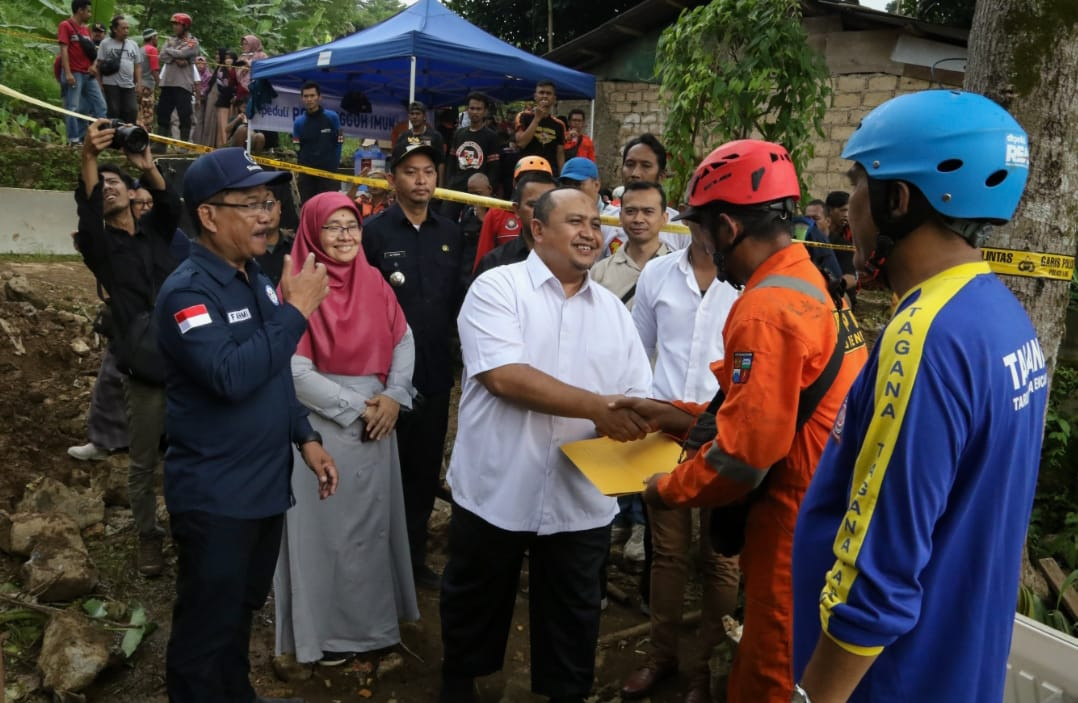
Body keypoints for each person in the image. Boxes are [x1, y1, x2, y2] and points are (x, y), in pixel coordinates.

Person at [791, 90, 1043, 703]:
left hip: (893, 680)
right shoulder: (1003, 318)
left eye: (857, 182)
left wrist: (812, 697)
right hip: (958, 663)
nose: (846, 207)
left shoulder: (925, 337)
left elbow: (878, 571)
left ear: (896, 200)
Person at [620, 140, 867, 703]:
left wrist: (667, 490)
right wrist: (674, 415)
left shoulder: (762, 308)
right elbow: (761, 403)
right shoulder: (815, 282)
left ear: (727, 228)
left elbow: (742, 455)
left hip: (788, 518)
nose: (702, 244)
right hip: (828, 501)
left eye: (703, 231)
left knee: (770, 672)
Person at [440, 187, 653, 703]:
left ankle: (564, 692)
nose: (589, 233)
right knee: (476, 598)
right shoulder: (497, 288)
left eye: (595, 224)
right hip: (499, 484)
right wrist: (598, 408)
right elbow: (504, 377)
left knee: (574, 612)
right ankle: (462, 683)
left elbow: (637, 393)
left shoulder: (611, 311)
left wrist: (630, 419)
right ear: (537, 229)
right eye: (575, 221)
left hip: (578, 496)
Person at [156, 147, 337, 703]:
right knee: (204, 634)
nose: (269, 214)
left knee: (237, 617)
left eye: (270, 201)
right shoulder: (188, 292)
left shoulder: (254, 278)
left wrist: (304, 435)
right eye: (252, 203)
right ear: (208, 216)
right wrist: (296, 310)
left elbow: (272, 371)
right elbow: (231, 375)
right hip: (216, 497)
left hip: (262, 491)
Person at [274, 192, 419, 667]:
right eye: (332, 227)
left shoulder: (374, 281)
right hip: (322, 428)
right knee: (327, 536)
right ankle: (327, 637)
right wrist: (361, 407)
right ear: (313, 232)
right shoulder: (298, 286)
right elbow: (292, 371)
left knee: (369, 531)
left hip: (378, 421)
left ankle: (370, 629)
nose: (344, 236)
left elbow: (403, 337)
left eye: (351, 226)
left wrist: (395, 396)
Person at [620, 215, 740, 703]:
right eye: (697, 217)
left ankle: (705, 669)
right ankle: (661, 657)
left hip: (726, 434)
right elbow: (635, 350)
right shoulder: (658, 274)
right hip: (667, 429)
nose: (705, 230)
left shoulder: (746, 282)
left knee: (721, 560)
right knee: (667, 554)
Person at [75, 119, 183, 576]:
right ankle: (147, 539)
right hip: (144, 373)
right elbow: (86, 208)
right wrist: (90, 158)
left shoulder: (154, 232)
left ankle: (189, 530)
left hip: (185, 365)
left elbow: (171, 204)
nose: (110, 190)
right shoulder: (100, 245)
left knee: (188, 454)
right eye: (104, 186)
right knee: (142, 464)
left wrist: (147, 164)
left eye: (118, 183)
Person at [361, 141, 462, 589]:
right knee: (381, 467)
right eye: (410, 172)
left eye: (428, 172)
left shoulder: (451, 232)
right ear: (392, 179)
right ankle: (372, 563)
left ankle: (413, 561)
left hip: (436, 373)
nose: (421, 180)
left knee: (422, 471)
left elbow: (460, 301)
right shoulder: (375, 233)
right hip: (383, 377)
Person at [601, 134, 689, 257]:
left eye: (645, 166)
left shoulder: (681, 228)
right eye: (630, 164)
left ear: (661, 176)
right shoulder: (605, 222)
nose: (635, 173)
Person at [470, 155, 554, 272]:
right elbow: (484, 253)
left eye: (538, 177)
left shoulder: (564, 258)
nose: (532, 182)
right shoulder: (496, 213)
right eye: (526, 178)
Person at [443, 92, 500, 219]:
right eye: (472, 108)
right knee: (446, 220)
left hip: (478, 191)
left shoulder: (491, 136)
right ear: (467, 110)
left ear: (485, 111)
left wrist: (487, 191)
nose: (475, 112)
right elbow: (451, 162)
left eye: (479, 109)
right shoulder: (458, 134)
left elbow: (494, 167)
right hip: (456, 188)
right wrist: (450, 183)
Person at [57, 0, 107, 145]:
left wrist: (93, 66)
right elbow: (64, 50)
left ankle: (95, 138)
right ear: (80, 10)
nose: (90, 14)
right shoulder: (65, 26)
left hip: (88, 74)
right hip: (74, 73)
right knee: (72, 107)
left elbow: (91, 51)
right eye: (88, 11)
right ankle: (73, 140)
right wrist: (67, 73)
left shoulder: (86, 30)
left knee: (100, 106)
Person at [292, 81, 343, 203]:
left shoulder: (332, 117)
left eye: (312, 95)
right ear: (302, 98)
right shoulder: (298, 122)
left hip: (328, 173)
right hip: (306, 175)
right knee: (308, 207)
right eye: (306, 96)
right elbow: (296, 145)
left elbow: (340, 139)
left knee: (328, 209)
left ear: (319, 97)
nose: (309, 99)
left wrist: (334, 164)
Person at [155, 12, 200, 146]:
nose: (174, 27)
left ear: (185, 26)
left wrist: (172, 52)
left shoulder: (192, 41)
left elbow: (184, 53)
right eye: (173, 24)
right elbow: (162, 56)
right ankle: (160, 144)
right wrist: (177, 56)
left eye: (177, 25)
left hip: (183, 83)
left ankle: (184, 144)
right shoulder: (170, 39)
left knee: (184, 115)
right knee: (162, 113)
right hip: (168, 82)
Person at [97, 15, 141, 124]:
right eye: (123, 28)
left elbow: (137, 66)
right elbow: (99, 64)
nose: (126, 31)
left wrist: (139, 82)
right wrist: (99, 83)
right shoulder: (105, 43)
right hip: (111, 84)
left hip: (128, 85)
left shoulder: (133, 45)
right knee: (113, 111)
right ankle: (113, 137)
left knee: (132, 110)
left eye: (127, 28)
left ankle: (127, 137)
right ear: (115, 29)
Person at [515, 80, 566, 174]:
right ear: (535, 96)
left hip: (550, 173)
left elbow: (560, 154)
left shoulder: (559, 124)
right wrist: (537, 119)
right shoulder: (523, 116)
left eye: (548, 93)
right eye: (541, 92)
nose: (545, 96)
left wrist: (562, 176)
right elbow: (521, 143)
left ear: (554, 98)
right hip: (527, 170)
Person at [396, 101, 446, 184]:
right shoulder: (403, 137)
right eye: (412, 114)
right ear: (409, 116)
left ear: (424, 116)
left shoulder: (435, 136)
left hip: (429, 181)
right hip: (409, 181)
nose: (414, 116)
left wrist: (441, 185)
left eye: (418, 114)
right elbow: (398, 162)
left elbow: (441, 163)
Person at [137, 28, 159, 131]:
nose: (157, 39)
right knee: (147, 116)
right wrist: (160, 84)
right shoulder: (152, 50)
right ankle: (145, 139)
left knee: (139, 114)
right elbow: (154, 70)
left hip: (138, 85)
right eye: (157, 37)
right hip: (148, 87)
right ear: (153, 37)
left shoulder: (140, 49)